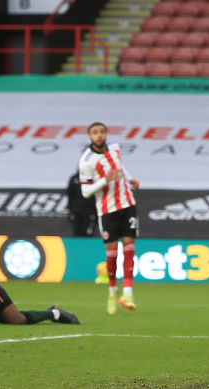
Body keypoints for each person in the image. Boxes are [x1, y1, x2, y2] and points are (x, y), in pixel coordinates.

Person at [79, 121, 140, 314]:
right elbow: (85, 191)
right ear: (90, 136)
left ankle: (128, 294)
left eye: (102, 132)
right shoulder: (86, 161)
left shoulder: (115, 148)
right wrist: (105, 180)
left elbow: (120, 168)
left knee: (129, 249)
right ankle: (113, 290)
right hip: (107, 210)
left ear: (106, 134)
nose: (99, 136)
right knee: (112, 255)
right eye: (95, 133)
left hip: (128, 203)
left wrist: (129, 179)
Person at [67, 170, 97, 237]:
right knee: (77, 232)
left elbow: (97, 196)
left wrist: (95, 212)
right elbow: (70, 194)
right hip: (77, 211)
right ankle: (77, 247)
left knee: (88, 233)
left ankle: (88, 246)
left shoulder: (94, 179)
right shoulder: (75, 178)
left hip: (90, 212)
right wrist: (70, 210)